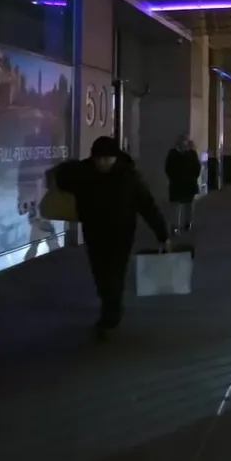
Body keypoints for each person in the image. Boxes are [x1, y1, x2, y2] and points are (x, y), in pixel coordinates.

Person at [51, 136, 169, 338]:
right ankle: (109, 304)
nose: (103, 163)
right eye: (99, 159)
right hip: (94, 232)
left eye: (107, 158)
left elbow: (147, 206)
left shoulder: (129, 177)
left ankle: (111, 312)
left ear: (116, 157)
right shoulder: (84, 173)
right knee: (100, 272)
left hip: (121, 234)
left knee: (115, 272)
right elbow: (63, 179)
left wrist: (162, 233)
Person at [164, 133, 202, 235]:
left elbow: (197, 168)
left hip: (188, 183)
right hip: (178, 183)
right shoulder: (174, 153)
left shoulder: (191, 153)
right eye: (183, 141)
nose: (184, 143)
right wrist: (173, 178)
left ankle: (187, 223)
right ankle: (175, 225)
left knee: (188, 205)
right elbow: (168, 168)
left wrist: (193, 177)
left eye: (186, 141)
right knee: (176, 206)